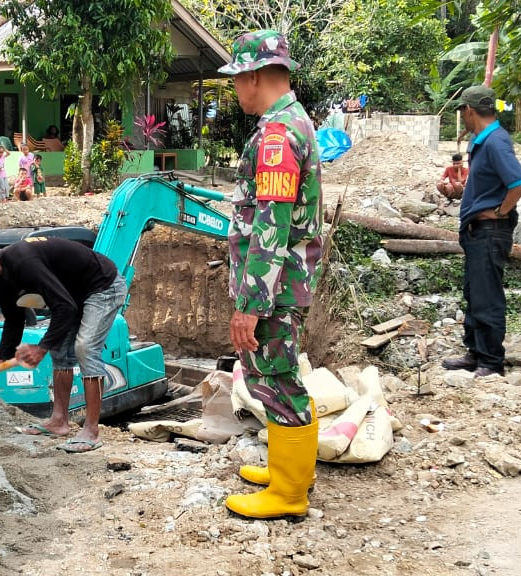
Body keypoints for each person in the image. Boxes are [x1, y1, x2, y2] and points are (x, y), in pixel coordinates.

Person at [217, 30, 324, 521]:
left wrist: (251, 304)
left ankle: (288, 494)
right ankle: (289, 472)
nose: (235, 90)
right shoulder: (292, 123)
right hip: (284, 280)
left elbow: (271, 223)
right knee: (278, 375)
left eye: (237, 80)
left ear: (254, 76)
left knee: (279, 379)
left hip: (274, 286)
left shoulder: (278, 135)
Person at [0, 235, 127, 454]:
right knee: (59, 350)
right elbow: (14, 318)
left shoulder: (23, 261)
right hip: (73, 294)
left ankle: (91, 430)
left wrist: (41, 348)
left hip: (103, 287)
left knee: (85, 348)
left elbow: (65, 308)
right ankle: (59, 421)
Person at [440, 86, 521, 378]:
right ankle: (476, 352)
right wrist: (460, 193)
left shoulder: (495, 142)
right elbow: (490, 185)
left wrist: (502, 211)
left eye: (462, 112)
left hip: (490, 230)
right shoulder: (483, 141)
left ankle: (491, 361)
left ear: (469, 110)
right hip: (478, 229)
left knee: (487, 295)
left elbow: (518, 180)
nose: (462, 117)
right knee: (475, 292)